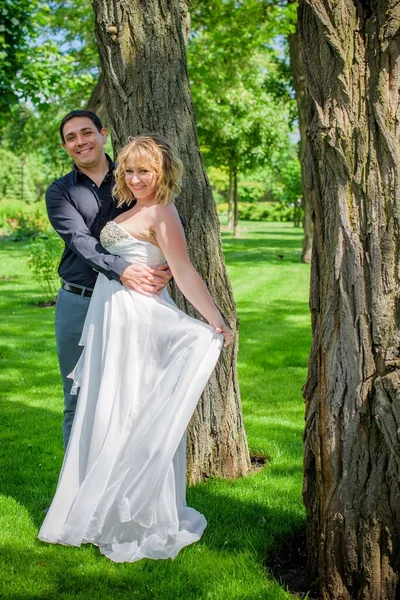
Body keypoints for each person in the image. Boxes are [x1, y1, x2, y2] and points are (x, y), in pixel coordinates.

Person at [38, 135, 232, 563]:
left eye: (144, 170)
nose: (135, 178)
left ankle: (128, 514)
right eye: (129, 170)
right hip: (111, 319)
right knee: (104, 408)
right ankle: (95, 506)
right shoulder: (127, 208)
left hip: (137, 319)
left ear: (162, 173)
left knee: (127, 409)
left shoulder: (163, 213)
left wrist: (215, 319)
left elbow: (182, 271)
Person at [46, 110, 171, 450]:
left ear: (103, 134)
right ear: (65, 146)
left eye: (86, 132)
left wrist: (169, 264)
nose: (80, 141)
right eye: (71, 138)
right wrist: (122, 268)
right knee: (78, 397)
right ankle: (72, 498)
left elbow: (167, 217)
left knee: (131, 397)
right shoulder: (60, 192)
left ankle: (121, 493)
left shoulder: (135, 177)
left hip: (132, 305)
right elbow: (80, 241)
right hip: (79, 302)